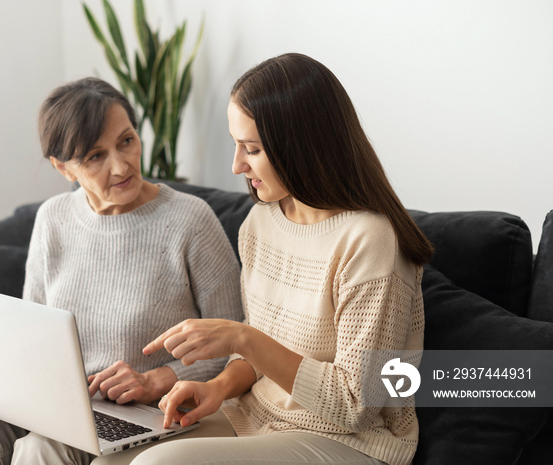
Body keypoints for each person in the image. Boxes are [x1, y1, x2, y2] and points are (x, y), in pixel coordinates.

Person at [137, 53, 434, 465]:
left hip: (349, 443)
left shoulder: (371, 241)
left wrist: (242, 337)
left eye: (252, 149)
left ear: (302, 146)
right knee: (109, 458)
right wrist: (220, 386)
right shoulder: (259, 223)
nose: (237, 164)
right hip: (256, 419)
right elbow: (258, 361)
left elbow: (357, 406)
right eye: (236, 144)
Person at [0, 77, 244, 465]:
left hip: (143, 410)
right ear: (63, 168)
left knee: (39, 449)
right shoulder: (53, 219)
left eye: (126, 141)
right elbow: (30, 333)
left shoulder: (190, 220)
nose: (120, 165)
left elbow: (236, 343)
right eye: (95, 156)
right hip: (58, 400)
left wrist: (156, 379)